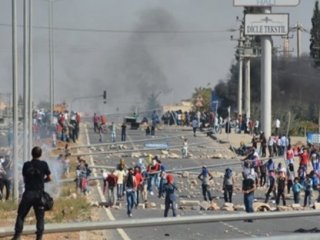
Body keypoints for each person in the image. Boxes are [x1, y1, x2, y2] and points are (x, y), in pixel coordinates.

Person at [12, 146, 51, 240]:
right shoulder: (44, 164)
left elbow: (25, 178)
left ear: (31, 154)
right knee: (40, 217)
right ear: (40, 154)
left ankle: (17, 235)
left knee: (21, 215)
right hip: (39, 194)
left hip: (28, 193)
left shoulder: (26, 165)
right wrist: (42, 181)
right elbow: (50, 178)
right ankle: (39, 237)